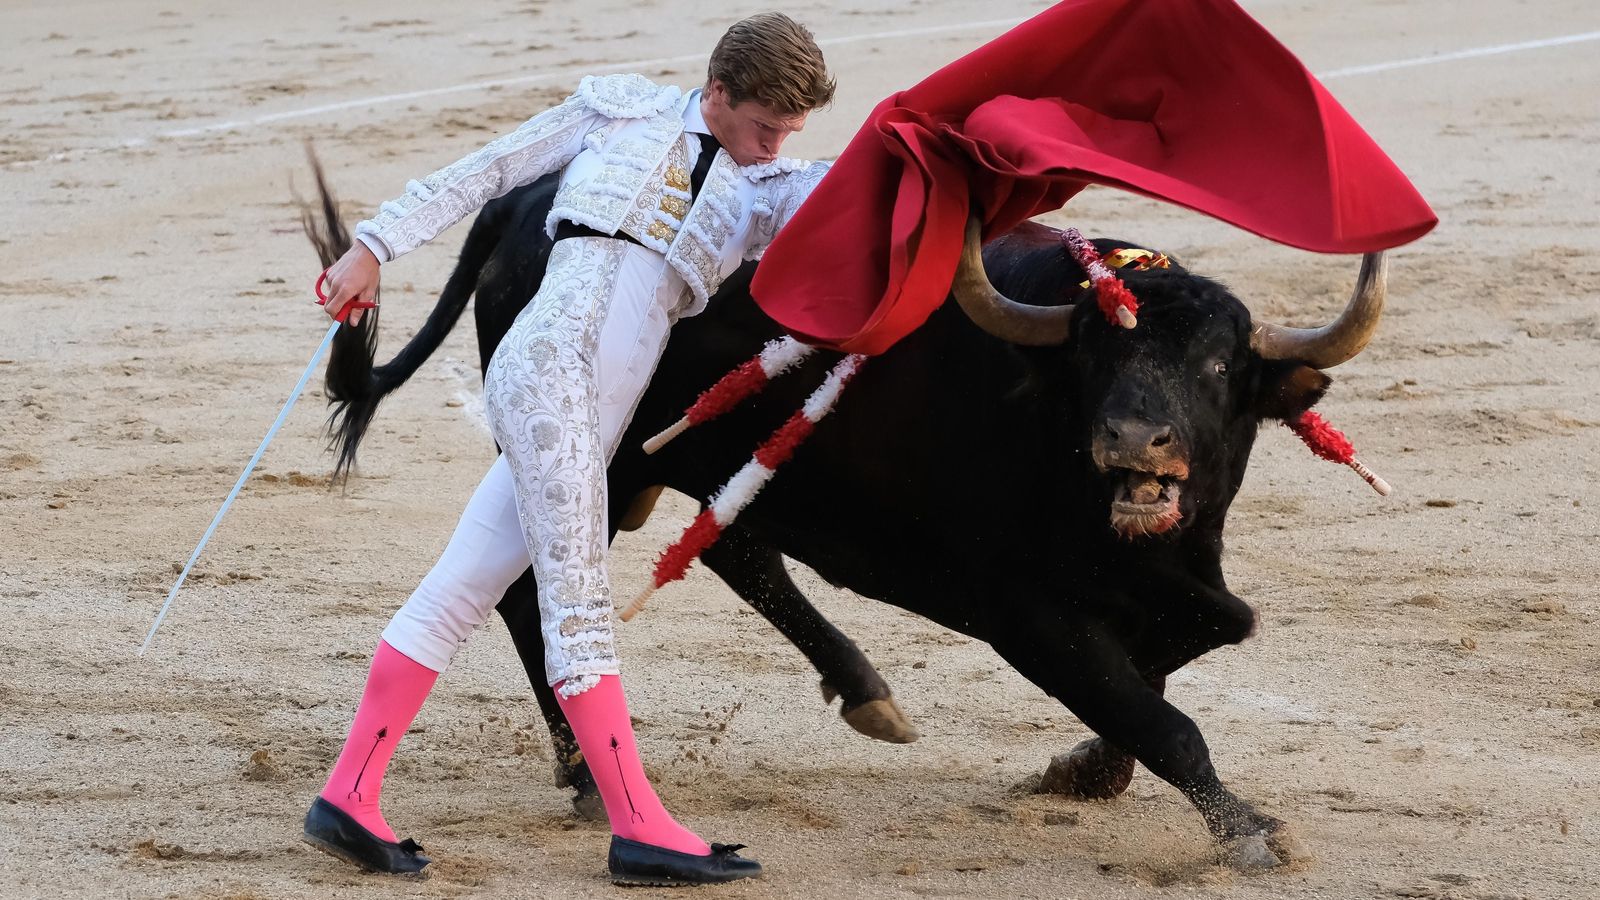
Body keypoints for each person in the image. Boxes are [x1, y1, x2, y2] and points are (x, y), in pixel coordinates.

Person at [303, 13, 834, 885]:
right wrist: (372, 247)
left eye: (790, 132)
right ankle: (638, 825)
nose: (774, 145)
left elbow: (853, 205)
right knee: (578, 601)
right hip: (550, 374)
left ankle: (348, 796)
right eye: (764, 125)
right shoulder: (619, 114)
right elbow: (488, 171)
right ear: (718, 92)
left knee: (465, 583)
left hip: (596, 402)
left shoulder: (769, 184)